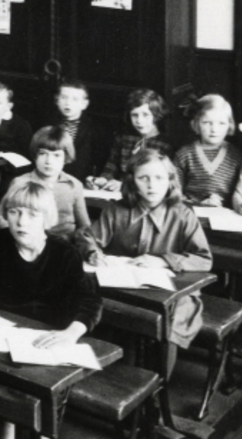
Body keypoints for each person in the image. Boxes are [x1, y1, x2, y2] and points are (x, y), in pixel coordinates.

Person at [79, 149, 212, 373]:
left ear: (170, 181)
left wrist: (164, 261)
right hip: (123, 286)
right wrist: (93, 253)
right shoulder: (116, 210)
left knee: (170, 321)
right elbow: (87, 237)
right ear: (132, 181)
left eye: (159, 178)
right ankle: (116, 376)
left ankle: (159, 380)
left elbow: (203, 259)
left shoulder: (183, 215)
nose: (152, 185)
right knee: (101, 310)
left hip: (171, 291)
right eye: (143, 178)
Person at [0, 181, 102, 347]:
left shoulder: (64, 253)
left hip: (46, 337)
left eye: (32, 215)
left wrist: (71, 333)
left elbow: (90, 301)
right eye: (14, 212)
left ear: (46, 218)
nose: (21, 222)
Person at [0, 126, 90, 239]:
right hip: (29, 240)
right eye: (43, 153)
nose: (49, 161)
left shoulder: (74, 185)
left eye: (56, 155)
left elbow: (85, 226)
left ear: (66, 157)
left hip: (65, 242)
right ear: (35, 155)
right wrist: (18, 232)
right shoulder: (21, 182)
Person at [88, 88, 173, 192]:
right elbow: (112, 165)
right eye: (134, 115)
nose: (139, 121)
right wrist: (103, 179)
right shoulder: (124, 139)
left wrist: (125, 185)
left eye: (145, 115)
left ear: (156, 115)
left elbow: (159, 180)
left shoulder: (165, 145)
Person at [175, 94, 242, 207]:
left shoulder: (236, 156)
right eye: (207, 123)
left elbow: (241, 194)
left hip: (225, 213)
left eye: (221, 123)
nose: (214, 129)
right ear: (197, 123)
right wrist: (198, 204)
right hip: (191, 212)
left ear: (229, 125)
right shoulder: (184, 154)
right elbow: (175, 193)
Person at [53, 80, 107, 182]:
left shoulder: (93, 129)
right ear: (57, 100)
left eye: (75, 99)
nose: (68, 103)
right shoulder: (50, 125)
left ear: (84, 104)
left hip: (80, 180)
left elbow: (98, 161)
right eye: (64, 97)